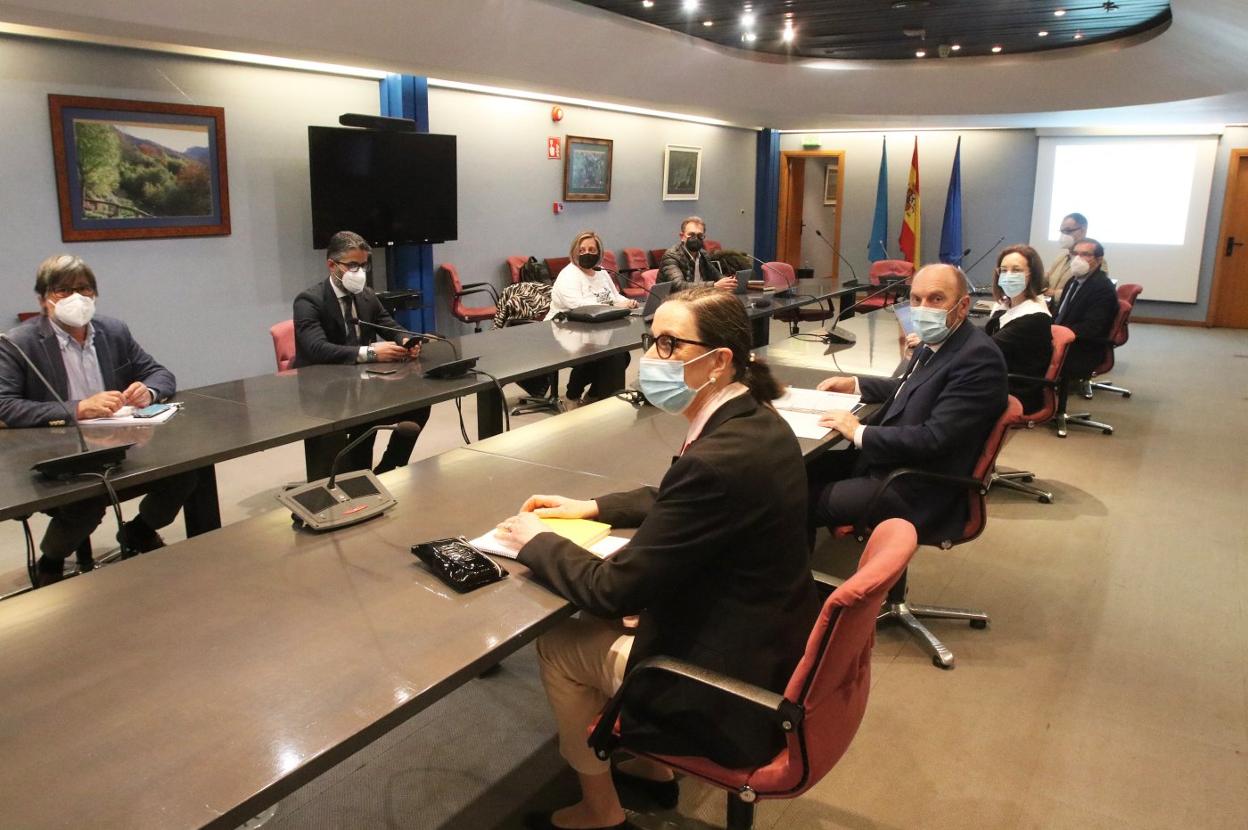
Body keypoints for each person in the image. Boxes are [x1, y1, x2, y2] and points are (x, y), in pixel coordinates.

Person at [497, 286, 818, 830]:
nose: (651, 356)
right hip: (766, 642)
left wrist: (535, 540)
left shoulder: (717, 459)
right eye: (651, 340)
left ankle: (600, 811)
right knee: (607, 620)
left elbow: (612, 590)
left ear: (718, 361)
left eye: (669, 344)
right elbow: (679, 497)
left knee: (560, 643)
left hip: (725, 684)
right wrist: (593, 506)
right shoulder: (754, 421)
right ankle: (652, 767)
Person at [0, 255, 197, 586]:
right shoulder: (19, 343)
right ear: (43, 300)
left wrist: (147, 391)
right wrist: (77, 408)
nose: (76, 298)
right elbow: (5, 405)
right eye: (63, 290)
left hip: (121, 443)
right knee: (88, 499)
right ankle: (51, 561)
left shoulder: (113, 331)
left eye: (84, 289)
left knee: (186, 471)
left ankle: (139, 530)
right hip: (58, 452)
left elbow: (160, 374)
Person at [808, 263, 1008, 543]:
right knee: (790, 473)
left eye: (936, 299)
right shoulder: (939, 340)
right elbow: (911, 386)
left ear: (962, 306)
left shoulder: (978, 358)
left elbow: (934, 438)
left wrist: (858, 432)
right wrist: (856, 384)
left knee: (791, 500)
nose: (923, 308)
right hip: (890, 462)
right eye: (916, 299)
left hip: (917, 485)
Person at [292, 230, 430, 476]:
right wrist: (371, 353)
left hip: (364, 385)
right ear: (332, 265)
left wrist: (406, 340)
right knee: (362, 431)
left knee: (419, 405)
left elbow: (388, 325)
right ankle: (356, 476)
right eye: (352, 265)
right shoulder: (308, 301)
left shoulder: (366, 296)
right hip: (325, 392)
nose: (359, 272)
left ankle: (389, 468)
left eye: (364, 265)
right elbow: (316, 348)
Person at [546, 230, 637, 403]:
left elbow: (614, 296)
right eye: (581, 250)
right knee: (602, 356)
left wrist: (627, 302)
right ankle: (573, 396)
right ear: (574, 252)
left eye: (591, 250)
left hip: (596, 328)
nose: (586, 254)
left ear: (599, 252)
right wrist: (614, 306)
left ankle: (594, 396)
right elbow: (579, 306)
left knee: (621, 355)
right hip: (564, 329)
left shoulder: (601, 272)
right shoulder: (569, 274)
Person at [984, 245, 1053, 413]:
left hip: (1018, 392)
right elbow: (985, 336)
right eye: (1003, 270)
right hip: (998, 378)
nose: (1008, 275)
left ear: (1032, 274)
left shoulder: (1035, 316)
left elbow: (988, 348)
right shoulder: (1006, 304)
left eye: (1016, 270)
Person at [1053, 237, 1119, 383]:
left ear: (1099, 260)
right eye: (1075, 253)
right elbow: (1059, 315)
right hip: (1062, 340)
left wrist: (1055, 334)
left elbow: (1091, 328)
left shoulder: (1103, 288)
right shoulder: (1073, 281)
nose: (1077, 259)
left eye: (1085, 254)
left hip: (1081, 349)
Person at [657, 216, 738, 292]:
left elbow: (717, 275)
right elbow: (679, 286)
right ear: (682, 236)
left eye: (700, 235)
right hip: (673, 299)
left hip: (698, 296)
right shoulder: (671, 256)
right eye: (691, 235)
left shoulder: (703, 254)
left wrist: (730, 282)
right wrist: (714, 286)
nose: (696, 238)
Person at [1045, 213, 1109, 301]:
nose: (1063, 235)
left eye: (1068, 231)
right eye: (1062, 231)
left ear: (1083, 230)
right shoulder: (1062, 257)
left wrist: (1055, 293)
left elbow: (1089, 291)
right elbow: (1047, 277)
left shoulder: (1095, 261)